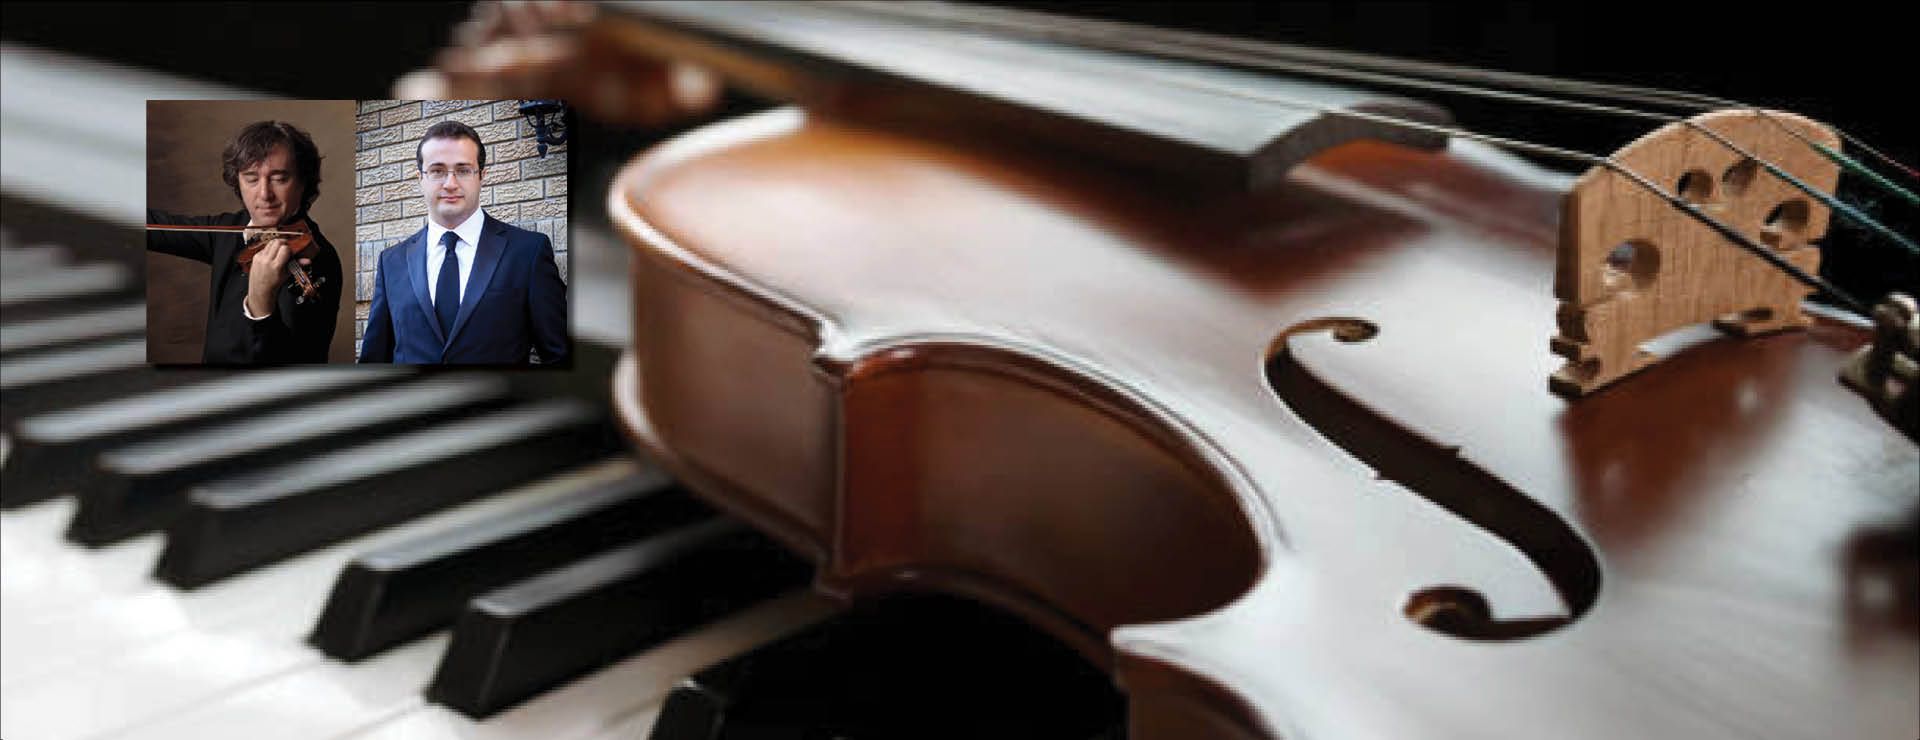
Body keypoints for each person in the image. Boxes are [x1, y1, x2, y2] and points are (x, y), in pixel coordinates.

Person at [358, 120, 569, 364]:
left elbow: (559, 358)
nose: (450, 183)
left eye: (463, 169)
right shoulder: (391, 262)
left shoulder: (528, 253)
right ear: (420, 178)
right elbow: (373, 362)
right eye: (437, 170)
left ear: (482, 176)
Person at [147, 120, 343, 364]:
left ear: (303, 182)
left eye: (280, 179)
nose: (264, 194)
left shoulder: (318, 259)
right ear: (237, 181)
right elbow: (155, 227)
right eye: (251, 178)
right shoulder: (229, 229)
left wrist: (261, 301)